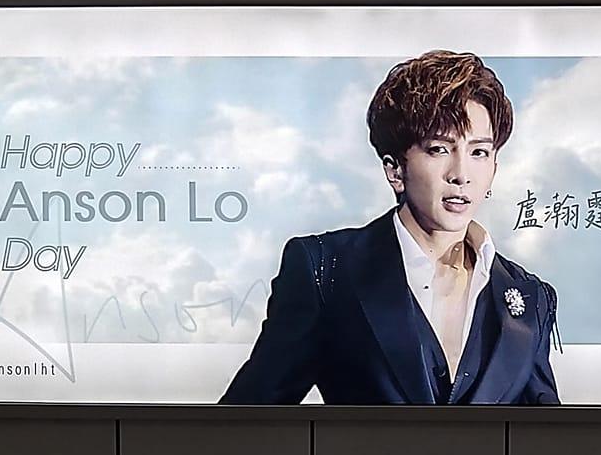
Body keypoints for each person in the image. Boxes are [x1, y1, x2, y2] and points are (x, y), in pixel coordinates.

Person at [222, 50, 559, 406]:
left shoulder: (530, 296)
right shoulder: (325, 270)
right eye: (439, 149)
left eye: (479, 152)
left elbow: (547, 433)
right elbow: (248, 419)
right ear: (394, 169)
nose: (461, 174)